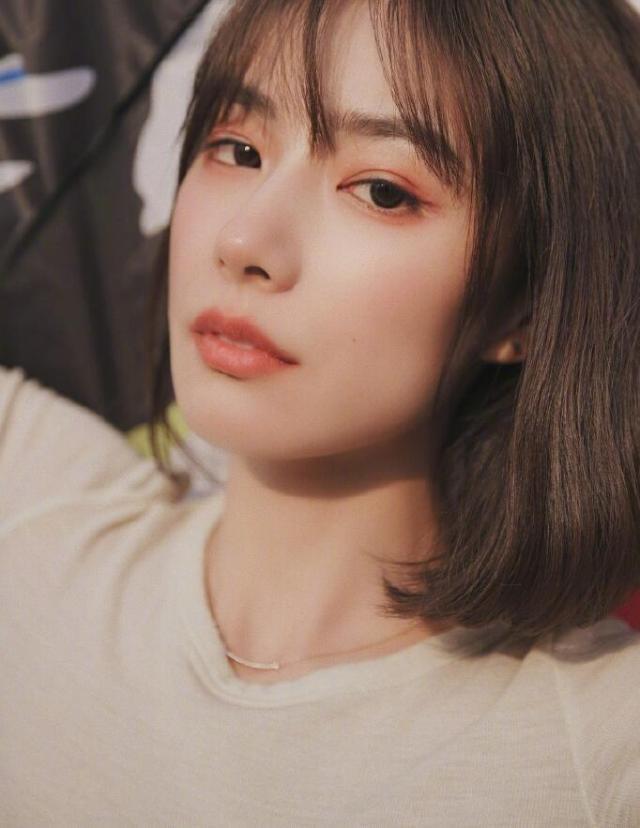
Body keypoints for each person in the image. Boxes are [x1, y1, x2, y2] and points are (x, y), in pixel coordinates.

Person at [2, 0, 639, 824]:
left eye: (381, 191)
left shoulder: (601, 744)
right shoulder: (33, 514)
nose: (245, 241)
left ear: (526, 303)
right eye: (237, 149)